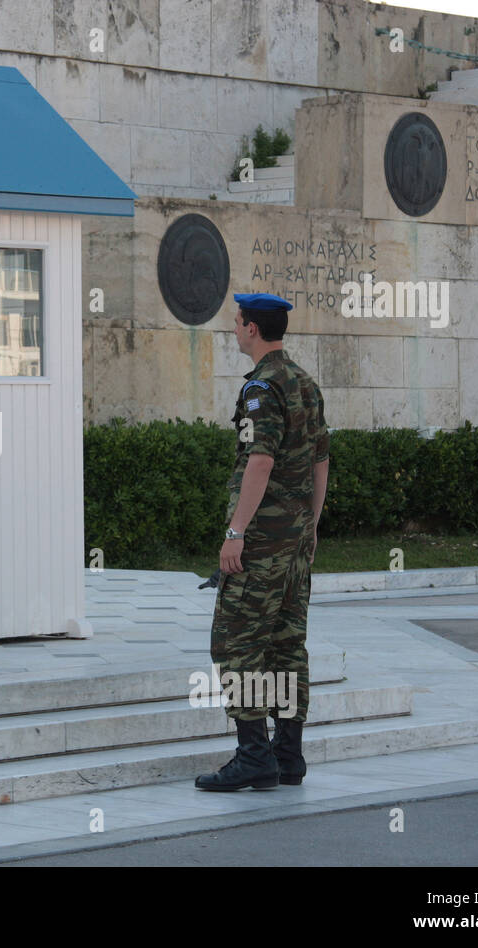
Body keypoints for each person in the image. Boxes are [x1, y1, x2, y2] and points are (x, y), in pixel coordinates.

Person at [195, 292, 330, 791]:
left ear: (252, 329)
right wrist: (311, 526)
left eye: (237, 322)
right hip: (295, 545)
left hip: (262, 545)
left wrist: (236, 533)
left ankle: (254, 755)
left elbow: (260, 461)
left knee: (236, 644)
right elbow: (321, 461)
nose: (234, 328)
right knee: (288, 645)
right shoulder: (306, 385)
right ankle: (287, 756)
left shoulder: (261, 389)